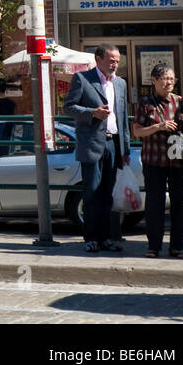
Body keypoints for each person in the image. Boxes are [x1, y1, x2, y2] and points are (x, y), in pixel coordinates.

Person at [64, 44, 131, 254]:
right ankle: (91, 238)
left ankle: (106, 238)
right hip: (92, 143)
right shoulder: (82, 79)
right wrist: (92, 112)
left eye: (117, 61)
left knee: (107, 195)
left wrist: (125, 149)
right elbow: (69, 107)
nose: (115, 64)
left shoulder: (120, 83)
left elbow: (123, 117)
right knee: (91, 193)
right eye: (111, 60)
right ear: (99, 59)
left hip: (114, 143)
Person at [132, 63, 183, 259]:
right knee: (154, 205)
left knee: (179, 204)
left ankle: (177, 247)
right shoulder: (145, 103)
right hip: (154, 160)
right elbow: (137, 131)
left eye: (172, 78)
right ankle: (154, 247)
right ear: (154, 81)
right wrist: (159, 126)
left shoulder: (179, 101)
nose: (170, 82)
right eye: (165, 78)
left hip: (178, 160)